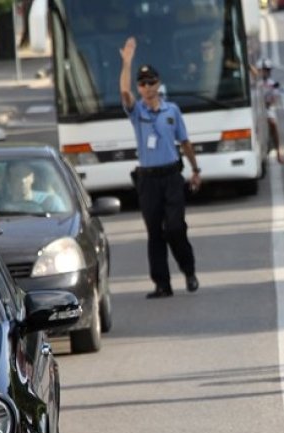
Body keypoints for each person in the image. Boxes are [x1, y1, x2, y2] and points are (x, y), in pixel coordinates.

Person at [120, 36, 201, 299]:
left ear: (158, 84)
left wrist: (195, 170)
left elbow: (185, 142)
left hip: (171, 176)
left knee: (175, 227)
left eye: (151, 82)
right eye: (142, 83)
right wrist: (127, 63)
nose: (146, 87)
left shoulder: (171, 111)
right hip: (148, 180)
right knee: (155, 232)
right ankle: (162, 284)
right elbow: (124, 93)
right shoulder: (137, 112)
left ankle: (188, 270)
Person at [2, 161, 67, 213]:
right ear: (9, 180)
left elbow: (63, 222)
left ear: (32, 178)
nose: (23, 180)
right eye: (17, 176)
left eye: (26, 175)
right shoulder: (0, 208)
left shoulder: (52, 202)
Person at [258, 58, 284, 164]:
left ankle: (278, 153)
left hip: (267, 109)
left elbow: (275, 98)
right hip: (257, 110)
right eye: (264, 70)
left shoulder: (272, 84)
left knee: (273, 124)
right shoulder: (255, 83)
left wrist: (269, 103)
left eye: (267, 70)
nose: (265, 72)